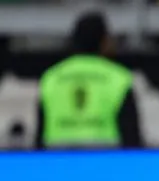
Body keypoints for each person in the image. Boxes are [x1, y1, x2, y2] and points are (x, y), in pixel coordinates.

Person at [36, 11, 142, 149]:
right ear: (104, 42)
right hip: (105, 163)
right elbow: (132, 139)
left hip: (58, 163)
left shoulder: (51, 78)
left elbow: (39, 138)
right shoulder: (118, 78)